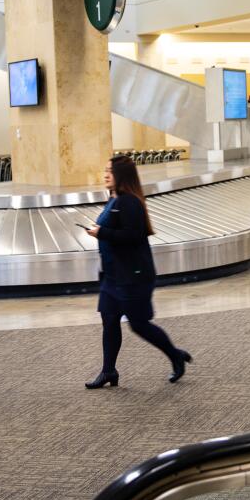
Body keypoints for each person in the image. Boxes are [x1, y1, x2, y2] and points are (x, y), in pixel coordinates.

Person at [83, 155, 191, 389]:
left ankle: (175, 355)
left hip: (134, 276)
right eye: (105, 170)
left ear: (122, 175)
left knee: (139, 324)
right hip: (112, 276)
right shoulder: (114, 200)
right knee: (109, 321)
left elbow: (133, 235)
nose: (105, 174)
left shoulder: (129, 202)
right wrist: (100, 232)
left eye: (110, 171)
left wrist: (101, 233)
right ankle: (109, 371)